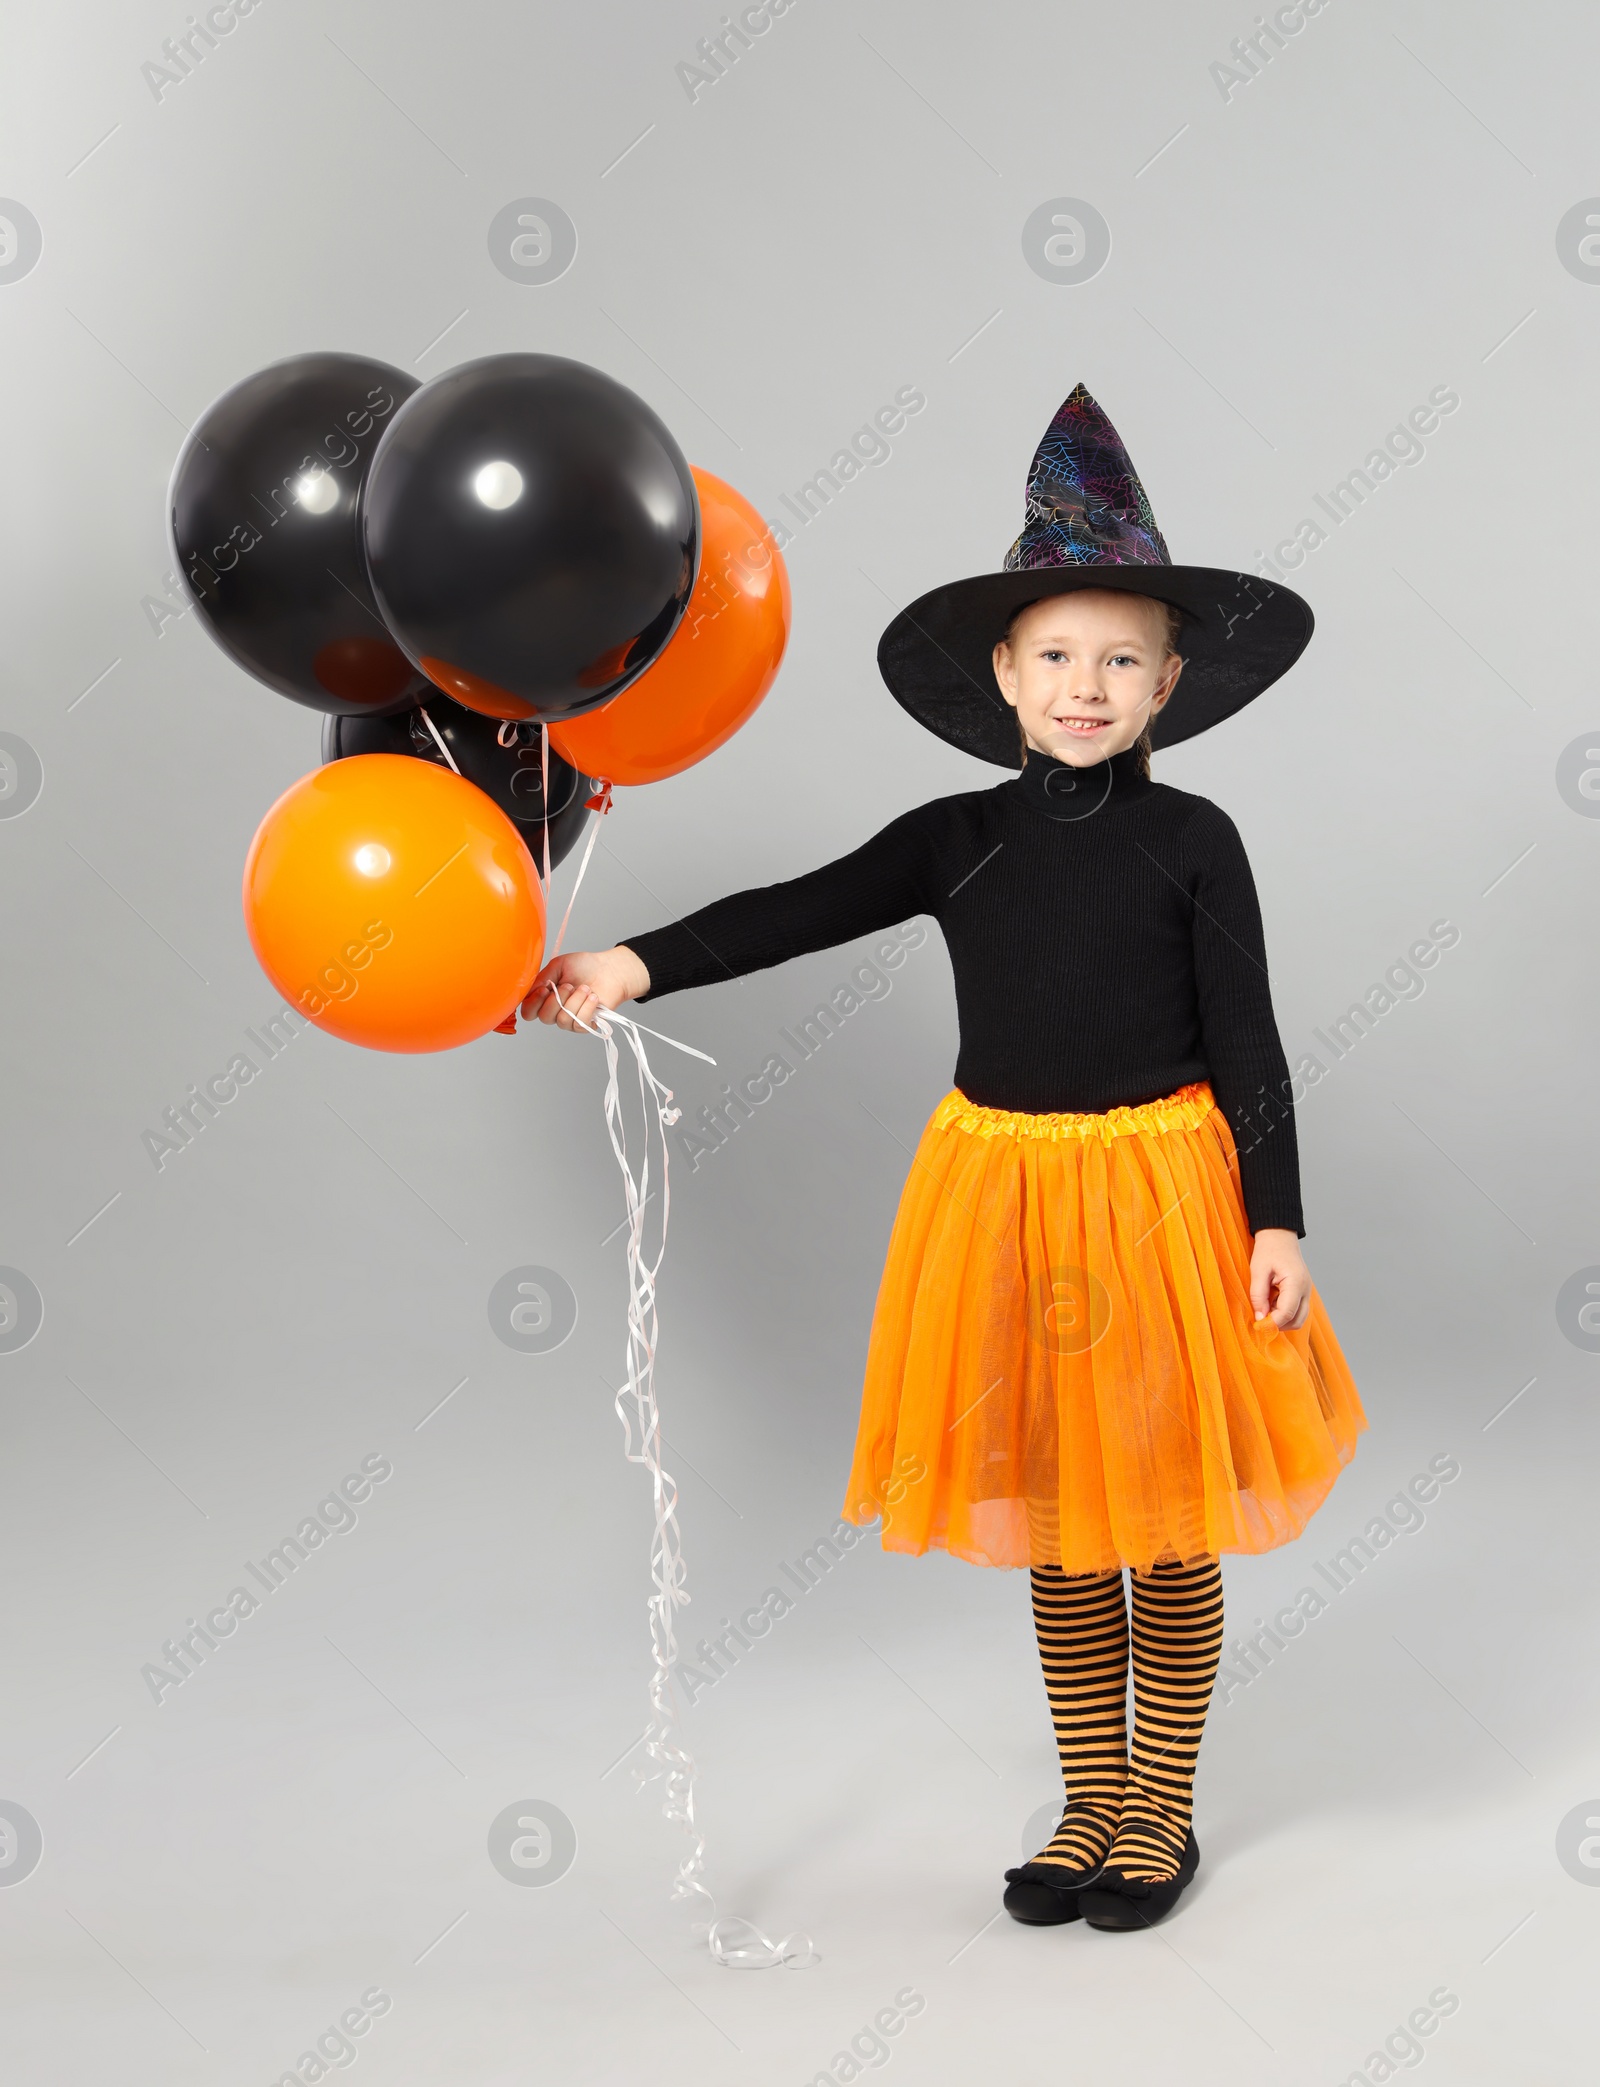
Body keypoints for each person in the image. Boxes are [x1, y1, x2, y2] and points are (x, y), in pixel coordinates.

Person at [522, 384, 1366, 1932]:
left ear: (1169, 682)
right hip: (1006, 1192)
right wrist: (629, 963)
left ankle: (1158, 1808)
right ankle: (1088, 1800)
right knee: (1060, 1506)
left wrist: (1280, 1220)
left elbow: (1250, 1040)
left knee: (1162, 1507)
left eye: (1122, 659)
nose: (1087, 684)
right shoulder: (956, 836)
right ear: (1005, 673)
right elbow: (792, 908)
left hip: (1166, 1191)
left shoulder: (1199, 845)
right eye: (1057, 655)